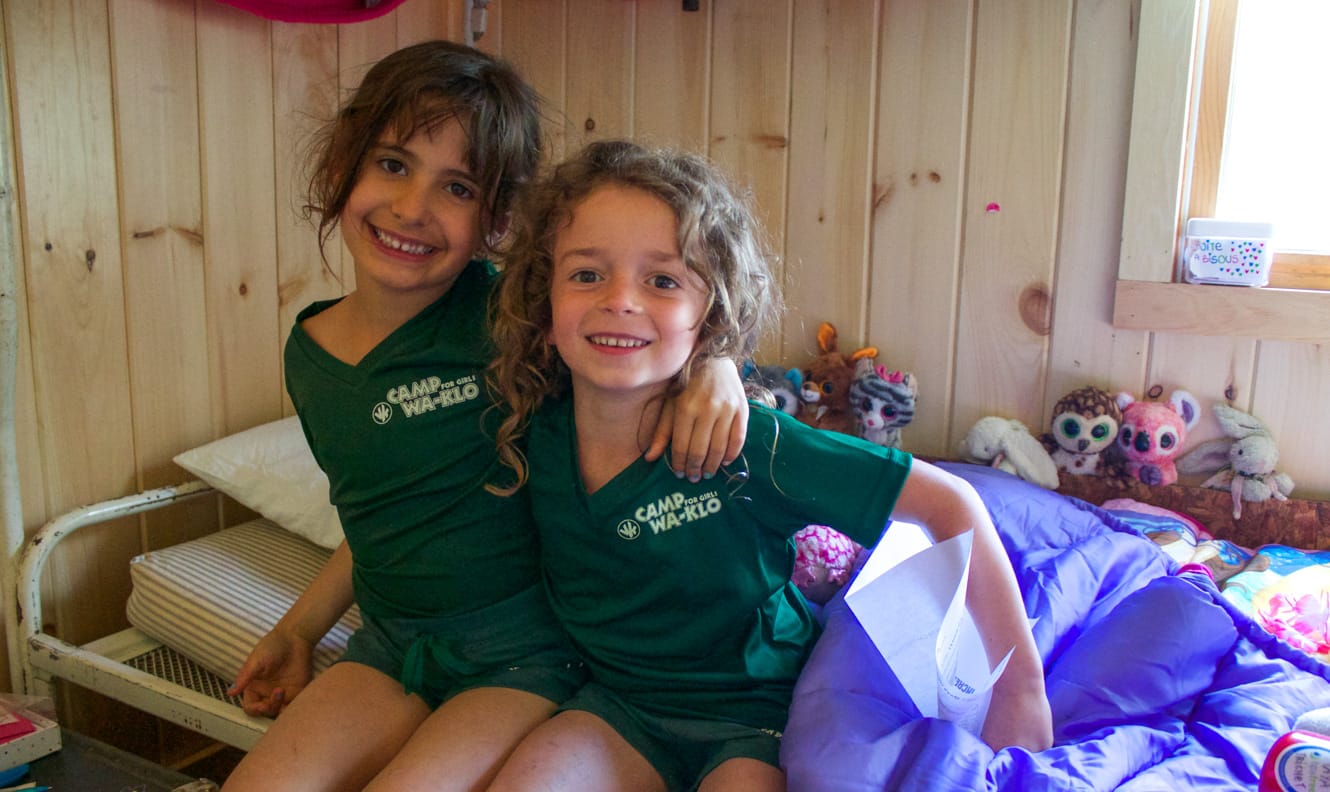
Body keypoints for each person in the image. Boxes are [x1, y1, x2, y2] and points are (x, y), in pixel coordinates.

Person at [220, 43, 748, 792]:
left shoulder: (518, 315)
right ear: (344, 164)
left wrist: (718, 365)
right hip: (391, 647)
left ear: (497, 218)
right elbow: (381, 519)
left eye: (458, 188)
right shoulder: (309, 355)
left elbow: (640, 337)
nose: (412, 209)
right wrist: (299, 630)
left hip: (524, 657)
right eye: (393, 164)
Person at [485, 140, 1054, 791]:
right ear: (543, 303)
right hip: (617, 707)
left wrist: (1020, 689)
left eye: (663, 281)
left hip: (754, 719)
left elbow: (950, 501)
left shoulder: (748, 441)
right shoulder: (529, 423)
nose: (620, 300)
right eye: (587, 275)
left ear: (711, 316)